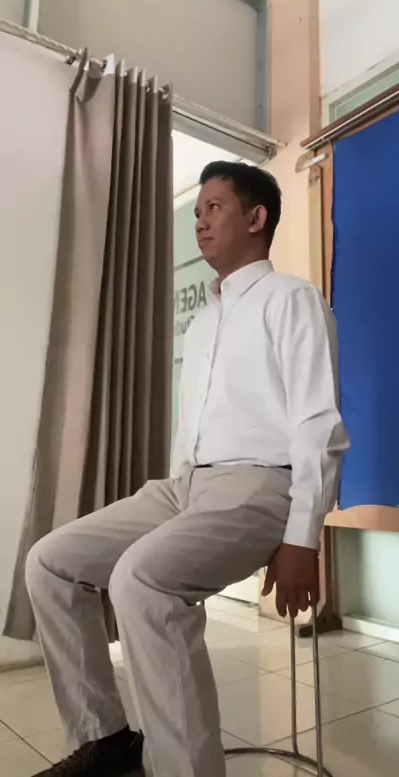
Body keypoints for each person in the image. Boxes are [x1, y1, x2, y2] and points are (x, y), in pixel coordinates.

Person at [26, 161, 349, 777]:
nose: (199, 222)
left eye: (213, 208)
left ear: (256, 218)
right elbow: (191, 431)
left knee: (140, 581)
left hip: (262, 484)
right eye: (197, 211)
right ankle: (108, 744)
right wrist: (177, 495)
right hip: (186, 487)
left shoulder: (292, 299)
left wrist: (302, 537)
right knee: (50, 562)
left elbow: (318, 423)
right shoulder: (203, 322)